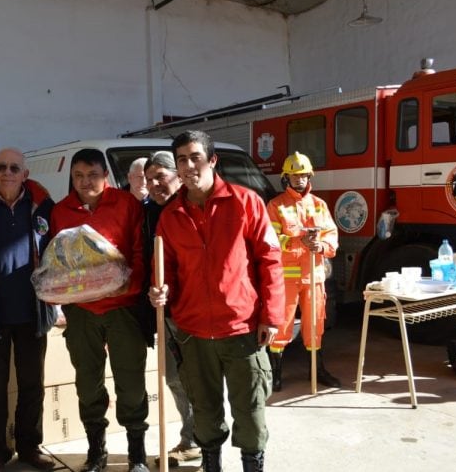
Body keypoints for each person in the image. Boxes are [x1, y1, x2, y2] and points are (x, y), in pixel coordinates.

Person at [148, 130, 284, 472]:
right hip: (193, 331)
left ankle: (253, 465)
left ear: (212, 160)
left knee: (250, 408)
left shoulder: (246, 202)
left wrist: (271, 315)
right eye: (181, 159)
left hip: (242, 328)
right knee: (204, 409)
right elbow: (166, 272)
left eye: (195, 157)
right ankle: (211, 464)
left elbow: (270, 261)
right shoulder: (170, 217)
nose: (189, 165)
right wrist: (161, 290)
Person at [50, 148, 149, 472]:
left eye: (92, 175)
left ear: (105, 175)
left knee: (131, 381)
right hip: (82, 313)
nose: (85, 182)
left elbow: (139, 252)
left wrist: (128, 288)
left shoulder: (126, 204)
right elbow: (58, 261)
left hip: (122, 308)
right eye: (78, 176)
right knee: (87, 382)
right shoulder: (61, 211)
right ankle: (97, 451)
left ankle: (136, 453)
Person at [0, 148, 57, 472]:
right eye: (2, 167)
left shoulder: (44, 206)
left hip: (33, 311)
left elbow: (58, 253)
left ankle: (30, 446)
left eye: (14, 168)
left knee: (32, 384)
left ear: (25, 174)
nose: (8, 172)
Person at [141, 152, 201, 468]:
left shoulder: (193, 207)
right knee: (174, 378)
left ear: (177, 175)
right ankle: (191, 440)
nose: (153, 184)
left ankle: (207, 440)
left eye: (160, 176)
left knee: (200, 379)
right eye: (149, 179)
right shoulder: (147, 212)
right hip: (164, 310)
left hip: (195, 311)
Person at [266, 151, 340, 391]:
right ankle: (275, 374)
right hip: (286, 277)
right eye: (294, 176)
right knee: (281, 326)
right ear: (286, 178)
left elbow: (331, 236)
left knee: (315, 324)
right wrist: (299, 241)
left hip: (314, 274)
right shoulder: (276, 205)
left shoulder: (319, 205)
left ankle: (317, 370)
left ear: (310, 176)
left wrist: (322, 246)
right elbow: (272, 240)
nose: (299, 180)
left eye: (303, 175)